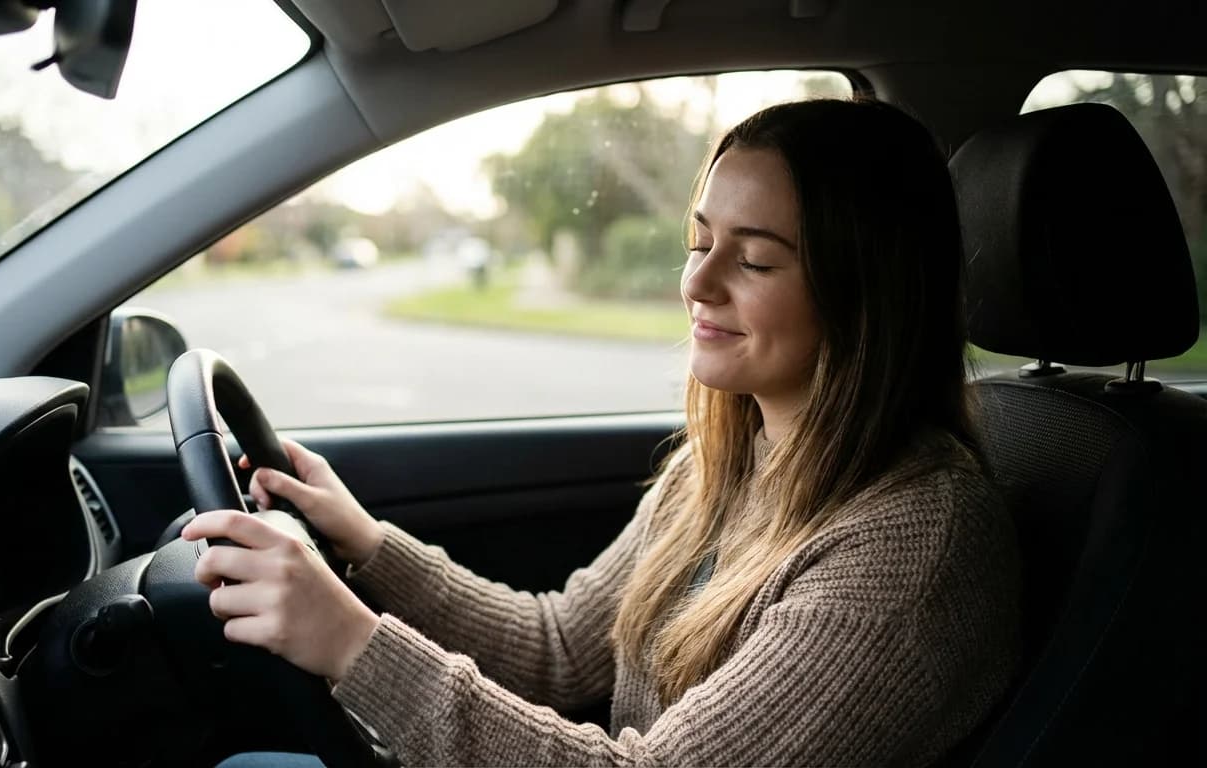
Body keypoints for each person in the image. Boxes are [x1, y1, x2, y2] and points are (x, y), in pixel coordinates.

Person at [185, 98, 1021, 767]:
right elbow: (558, 648)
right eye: (699, 241)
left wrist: (353, 644)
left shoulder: (915, 545)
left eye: (755, 260)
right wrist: (366, 543)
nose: (697, 280)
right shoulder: (728, 461)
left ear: (867, 294)